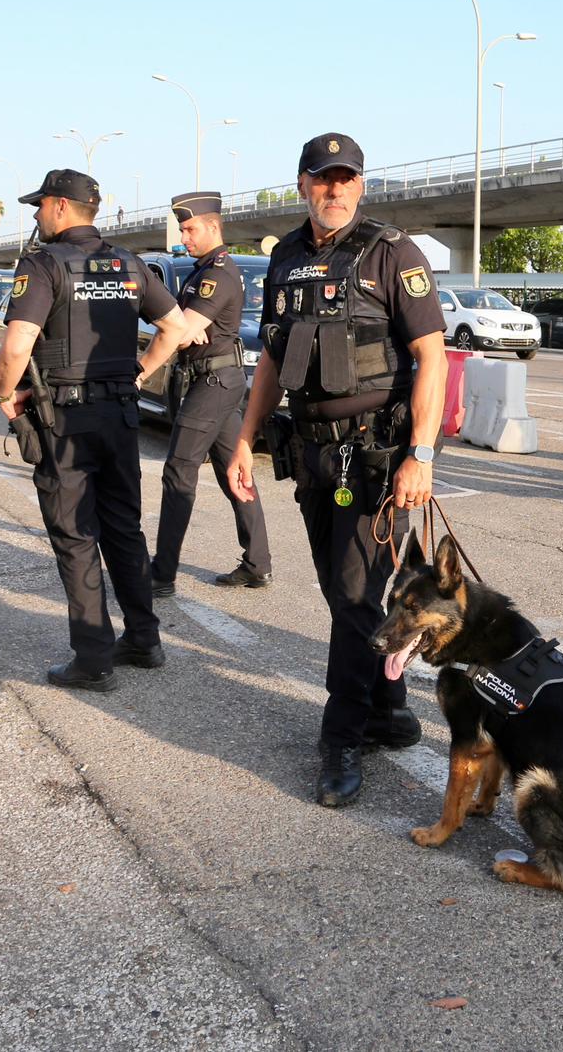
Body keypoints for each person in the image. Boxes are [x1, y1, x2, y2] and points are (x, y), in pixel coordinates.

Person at [227, 132, 447, 808]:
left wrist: (421, 455)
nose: (335, 190)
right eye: (324, 178)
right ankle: (389, 709)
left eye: (347, 178)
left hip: (377, 459)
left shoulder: (392, 252)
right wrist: (244, 439)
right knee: (342, 593)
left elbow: (432, 357)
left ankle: (341, 738)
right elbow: (271, 358)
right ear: (302, 184)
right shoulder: (286, 256)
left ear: (361, 185)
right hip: (313, 454)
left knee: (354, 598)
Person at [0, 168, 190, 689]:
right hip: (120, 415)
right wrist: (138, 373)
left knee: (76, 535)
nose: (36, 215)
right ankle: (143, 639)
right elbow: (176, 327)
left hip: (67, 422)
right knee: (124, 528)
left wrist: (5, 396)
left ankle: (94, 659)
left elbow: (17, 345)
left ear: (60, 206)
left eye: (39, 205)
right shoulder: (128, 263)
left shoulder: (43, 264)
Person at [149, 191, 272, 596]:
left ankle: (162, 574)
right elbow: (179, 326)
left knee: (178, 471)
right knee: (233, 471)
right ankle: (257, 564)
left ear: (213, 226)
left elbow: (180, 331)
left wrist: (183, 331)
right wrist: (183, 328)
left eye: (190, 229)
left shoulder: (217, 274)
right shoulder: (201, 271)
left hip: (213, 382)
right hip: (217, 380)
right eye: (182, 230)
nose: (184, 237)